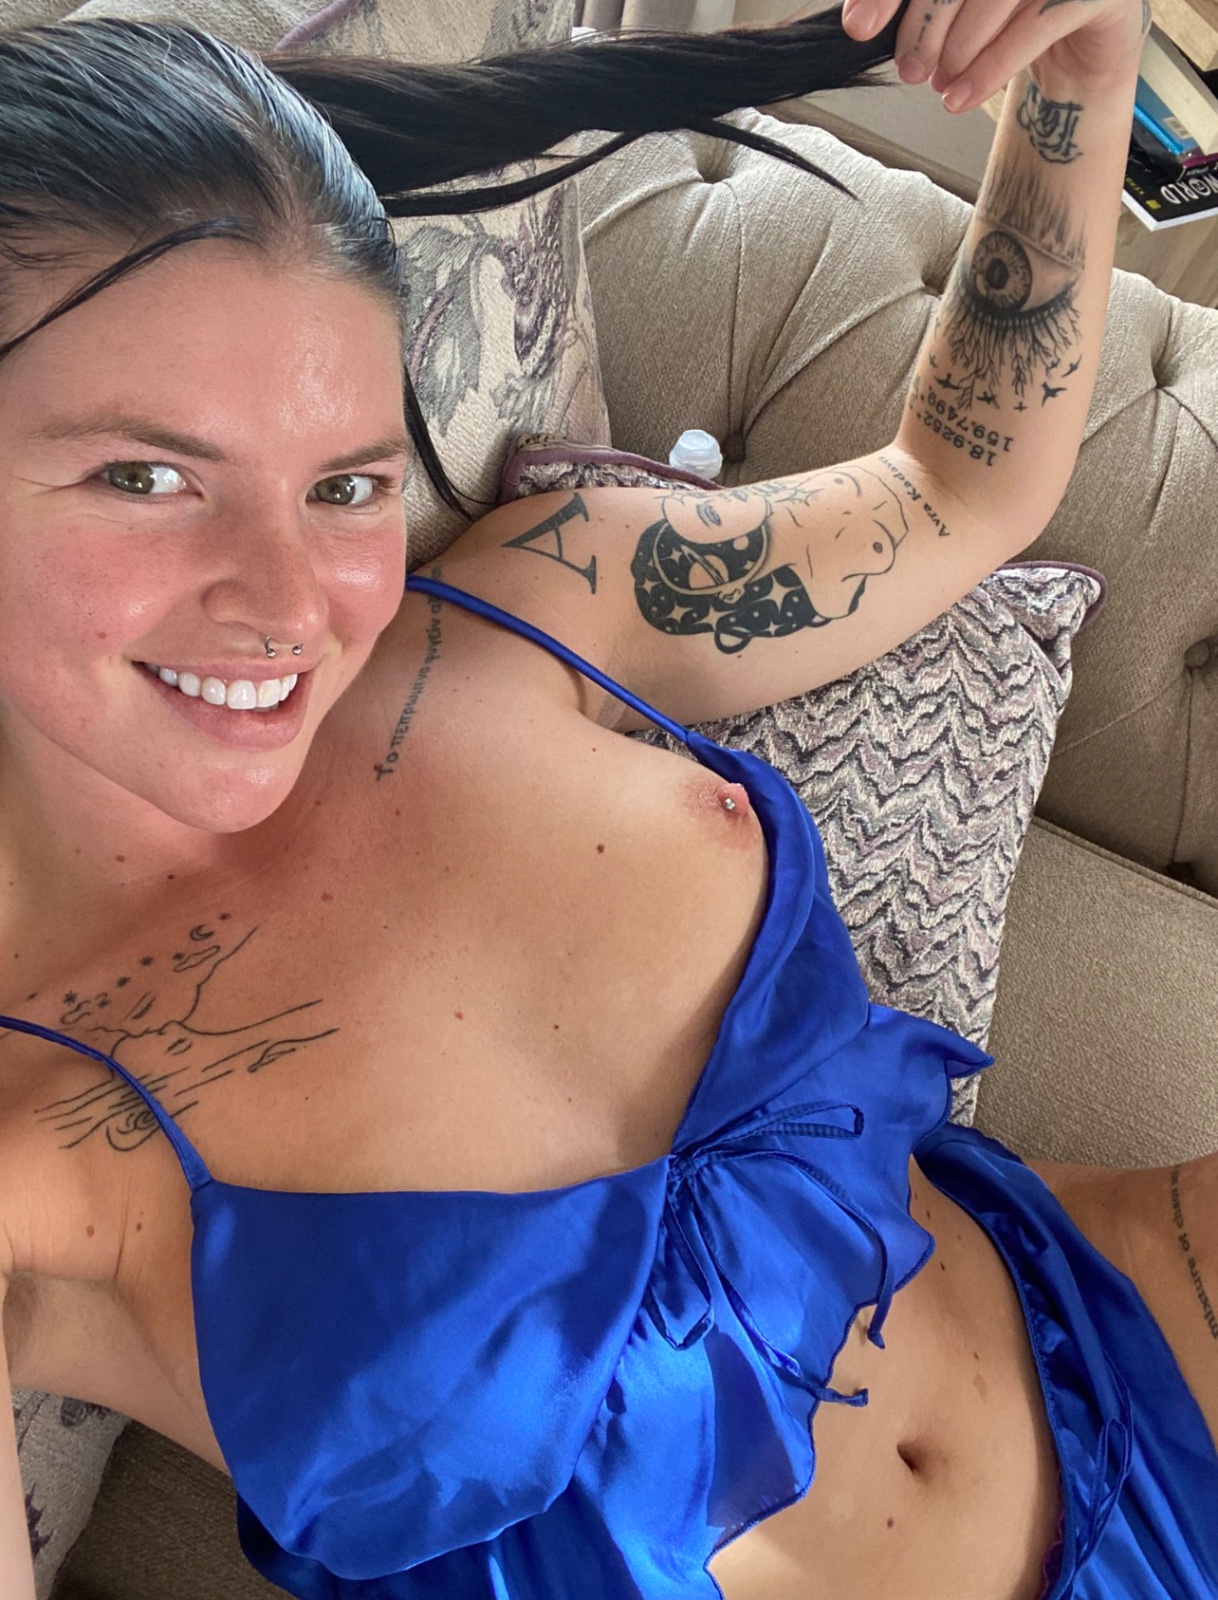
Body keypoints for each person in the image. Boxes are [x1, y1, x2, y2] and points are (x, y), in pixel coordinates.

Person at [0, 0, 1214, 1595]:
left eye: (346, 485)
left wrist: (1078, 78)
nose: (291, 605)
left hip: (1114, 1331)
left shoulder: (522, 614)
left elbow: (953, 492)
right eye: (146, 477)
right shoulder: (27, 1148)